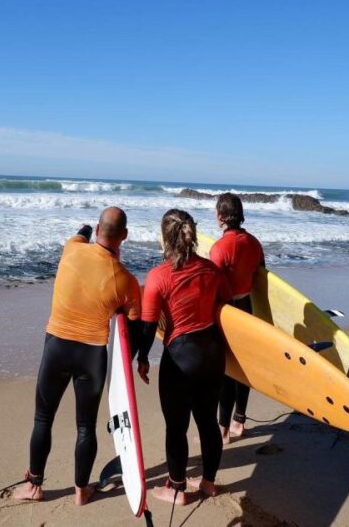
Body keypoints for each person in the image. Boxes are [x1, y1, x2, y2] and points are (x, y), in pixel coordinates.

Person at [12, 207, 142, 505]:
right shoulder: (125, 280)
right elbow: (132, 323)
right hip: (92, 356)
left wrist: (84, 228)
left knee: (43, 418)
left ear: (98, 230)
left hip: (57, 347)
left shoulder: (71, 250)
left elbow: (80, 234)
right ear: (124, 236)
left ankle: (34, 485)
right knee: (85, 426)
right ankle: (82, 490)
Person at [135, 209, 231, 505]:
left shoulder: (158, 276)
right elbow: (225, 302)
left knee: (176, 427)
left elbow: (149, 327)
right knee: (207, 421)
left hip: (180, 360)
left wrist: (141, 360)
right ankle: (209, 483)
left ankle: (176, 488)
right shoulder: (211, 269)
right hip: (213, 354)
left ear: (165, 238)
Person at [210, 193, 264, 442]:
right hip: (248, 308)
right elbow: (262, 279)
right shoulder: (254, 243)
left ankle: (222, 429)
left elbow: (212, 287)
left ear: (221, 216)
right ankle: (239, 421)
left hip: (227, 313)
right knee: (244, 368)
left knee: (225, 371)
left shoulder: (219, 248)